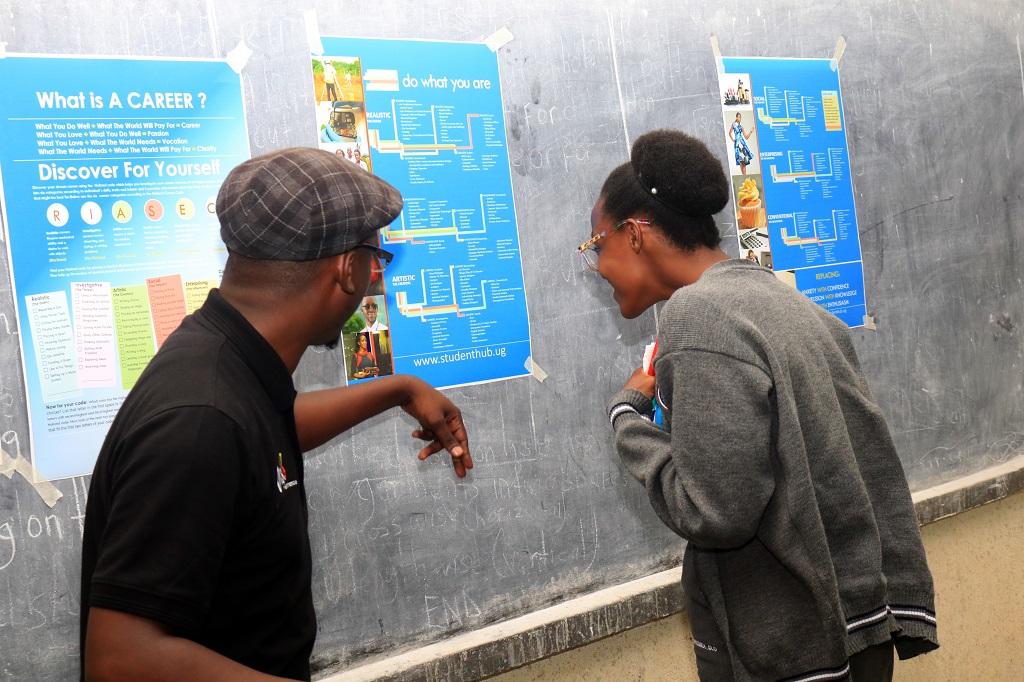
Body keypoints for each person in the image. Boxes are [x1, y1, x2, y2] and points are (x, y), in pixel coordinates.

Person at [80, 147, 472, 681]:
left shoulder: (224, 360)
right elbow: (121, 660)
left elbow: (264, 433)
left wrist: (396, 389)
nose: (375, 275)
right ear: (346, 270)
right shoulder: (200, 419)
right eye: (376, 259)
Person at [580, 129, 937, 682]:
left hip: (791, 648)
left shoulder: (699, 317)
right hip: (855, 627)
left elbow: (714, 511)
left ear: (634, 234)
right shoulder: (787, 301)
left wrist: (627, 417)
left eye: (595, 245)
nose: (597, 267)